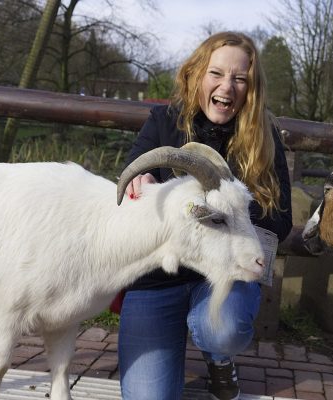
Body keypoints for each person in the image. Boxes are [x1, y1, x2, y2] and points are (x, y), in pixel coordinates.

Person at [117, 31, 293, 400]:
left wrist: (228, 213)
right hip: (157, 277)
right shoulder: (163, 121)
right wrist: (141, 179)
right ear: (197, 74)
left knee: (219, 329)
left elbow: (281, 220)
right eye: (216, 73)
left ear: (250, 87)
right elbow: (131, 175)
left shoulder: (265, 135)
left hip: (225, 272)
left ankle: (219, 357)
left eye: (239, 78)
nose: (226, 86)